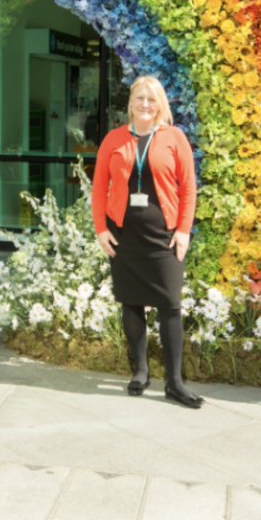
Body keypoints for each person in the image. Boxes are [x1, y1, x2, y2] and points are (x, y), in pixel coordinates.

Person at [91, 76, 202, 408]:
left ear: (160, 105)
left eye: (151, 99)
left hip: (164, 236)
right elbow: (99, 187)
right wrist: (101, 229)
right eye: (139, 98)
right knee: (131, 302)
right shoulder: (113, 139)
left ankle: (175, 383)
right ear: (130, 103)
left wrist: (183, 231)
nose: (145, 104)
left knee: (170, 305)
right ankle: (139, 371)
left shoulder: (174, 138)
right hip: (124, 235)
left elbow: (189, 188)